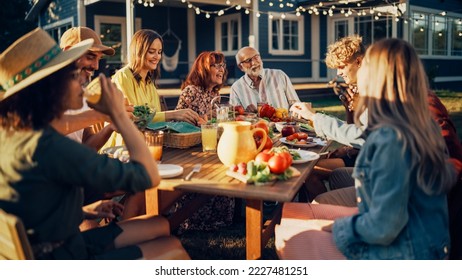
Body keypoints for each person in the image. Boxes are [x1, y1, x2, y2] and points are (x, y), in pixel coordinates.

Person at [0, 28, 189, 260]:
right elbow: (148, 175)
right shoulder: (49, 146)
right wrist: (118, 115)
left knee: (159, 225)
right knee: (172, 248)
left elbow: (31, 208)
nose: (83, 78)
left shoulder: (15, 135)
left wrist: (84, 211)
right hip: (65, 257)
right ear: (49, 89)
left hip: (51, 242)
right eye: (71, 75)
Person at [276, 38, 457, 259]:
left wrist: (336, 228)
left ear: (376, 76)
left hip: (408, 249)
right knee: (295, 214)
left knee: (294, 238)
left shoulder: (394, 136)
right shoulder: (404, 114)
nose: (357, 72)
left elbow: (384, 226)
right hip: (421, 235)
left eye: (366, 66)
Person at [293, 35, 366, 201]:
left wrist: (314, 117)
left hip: (369, 168)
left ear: (359, 61)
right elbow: (353, 128)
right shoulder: (357, 89)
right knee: (310, 167)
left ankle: (323, 213)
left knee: (307, 169)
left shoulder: (373, 91)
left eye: (342, 66)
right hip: (361, 158)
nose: (338, 72)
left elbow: (363, 136)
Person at [173, 51, 235, 233]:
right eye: (216, 65)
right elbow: (176, 124)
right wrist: (201, 120)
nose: (221, 69)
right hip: (190, 152)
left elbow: (212, 122)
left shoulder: (213, 94)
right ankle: (193, 219)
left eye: (223, 65)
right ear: (203, 69)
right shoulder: (191, 91)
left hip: (208, 147)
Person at [51, 26, 126, 151]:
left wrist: (110, 127)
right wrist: (103, 115)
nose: (96, 66)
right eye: (90, 57)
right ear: (69, 52)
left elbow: (86, 143)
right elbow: (46, 131)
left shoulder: (82, 93)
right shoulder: (45, 90)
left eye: (98, 59)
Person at [230, 46, 299, 112]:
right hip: (255, 124)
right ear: (240, 67)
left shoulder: (279, 76)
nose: (254, 63)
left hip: (283, 123)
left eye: (256, 57)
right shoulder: (236, 88)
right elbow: (235, 116)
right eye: (248, 60)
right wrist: (246, 113)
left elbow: (296, 106)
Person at [176, 51, 227, 118]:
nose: (222, 70)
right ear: (204, 69)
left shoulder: (215, 94)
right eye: (217, 66)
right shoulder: (191, 91)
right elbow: (178, 121)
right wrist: (205, 116)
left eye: (222, 66)